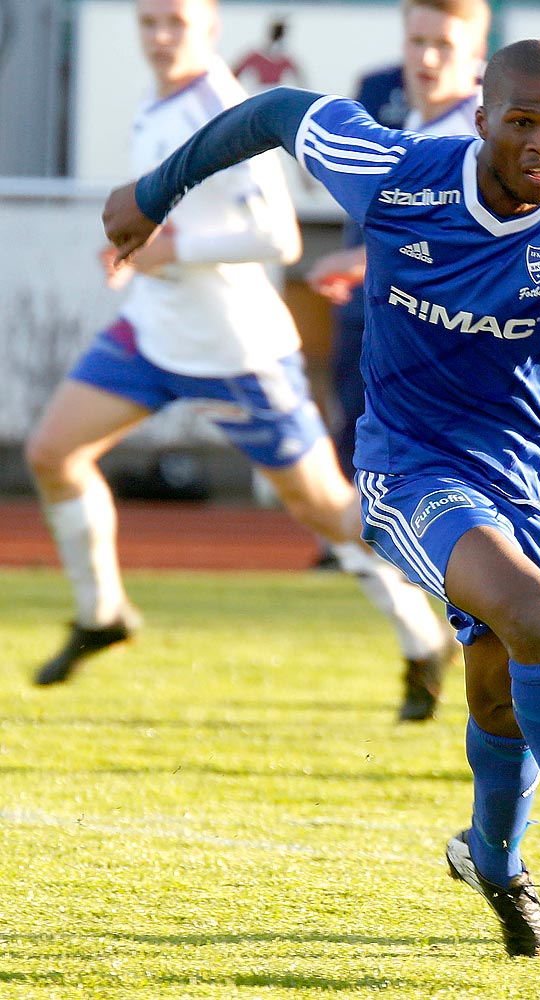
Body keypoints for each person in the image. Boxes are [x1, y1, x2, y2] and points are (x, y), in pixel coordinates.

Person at [103, 38, 540, 959]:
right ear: (480, 117)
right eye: (522, 123)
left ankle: (493, 862)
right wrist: (154, 191)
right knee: (533, 617)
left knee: (504, 692)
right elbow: (274, 113)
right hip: (409, 468)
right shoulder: (397, 172)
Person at [25, 0, 452, 702]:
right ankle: (101, 613)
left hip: (237, 349)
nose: (161, 38)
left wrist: (173, 247)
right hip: (155, 330)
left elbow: (279, 239)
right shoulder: (154, 96)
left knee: (328, 511)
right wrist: (140, 250)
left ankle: (425, 633)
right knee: (52, 452)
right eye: (149, 23)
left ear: (211, 27)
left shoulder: (221, 106)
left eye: (176, 23)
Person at [306, 0, 540, 731]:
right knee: (381, 521)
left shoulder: (493, 132)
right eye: (415, 41)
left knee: (441, 537)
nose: (425, 59)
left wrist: (356, 261)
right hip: (385, 346)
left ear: (480, 57)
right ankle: (505, 669)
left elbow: (479, 248)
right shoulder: (396, 117)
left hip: (476, 382)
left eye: (443, 44)